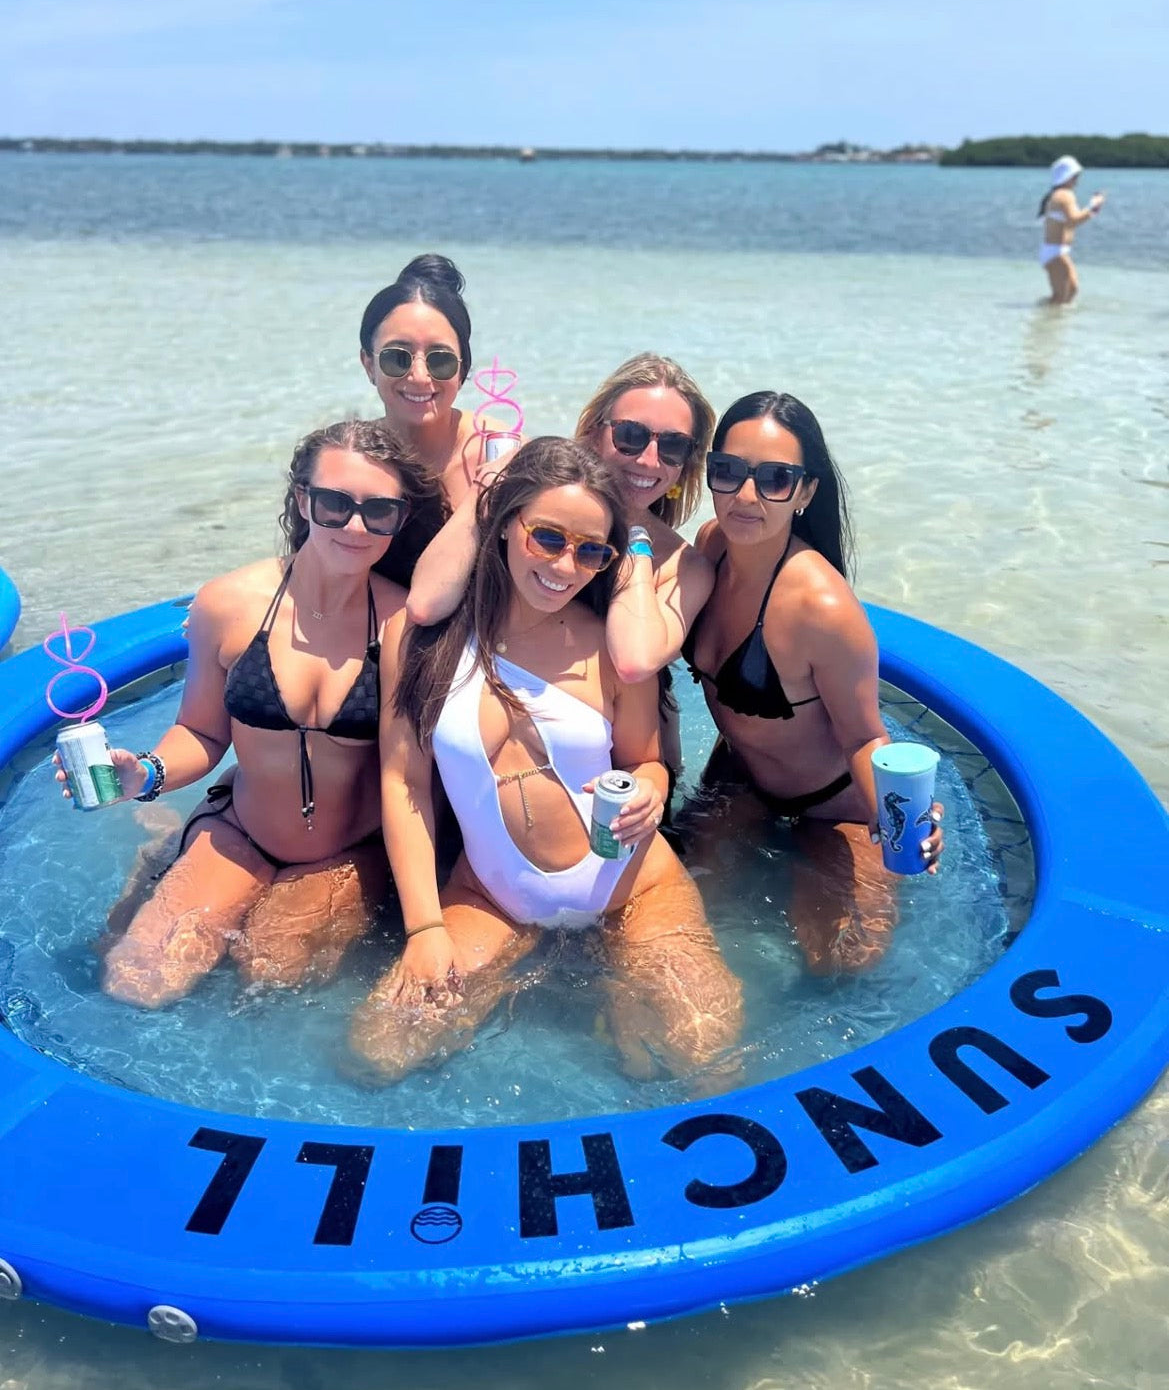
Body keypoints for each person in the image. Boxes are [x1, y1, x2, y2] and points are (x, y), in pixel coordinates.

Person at [349, 437, 741, 1082]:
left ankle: (617, 995)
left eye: (591, 551)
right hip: (493, 897)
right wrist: (424, 929)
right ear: (506, 524)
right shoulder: (419, 639)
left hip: (634, 888)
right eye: (548, 538)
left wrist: (650, 787)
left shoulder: (607, 644)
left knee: (704, 1060)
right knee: (379, 1051)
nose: (566, 566)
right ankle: (603, 1001)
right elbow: (404, 783)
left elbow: (646, 760)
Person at [57, 420, 444, 1009]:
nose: (355, 526)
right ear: (303, 500)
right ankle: (170, 838)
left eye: (379, 511)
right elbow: (201, 731)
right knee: (137, 981)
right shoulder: (228, 604)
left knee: (272, 973)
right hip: (244, 830)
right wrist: (145, 774)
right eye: (335, 504)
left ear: (400, 517)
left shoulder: (403, 624)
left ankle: (167, 850)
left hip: (348, 847)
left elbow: (409, 776)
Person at [679, 392, 944, 974]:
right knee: (677, 916)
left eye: (775, 479)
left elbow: (864, 736)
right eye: (728, 471)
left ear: (805, 492)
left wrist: (901, 819)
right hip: (739, 780)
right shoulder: (711, 546)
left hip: (833, 806)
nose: (746, 495)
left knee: (840, 963)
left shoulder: (822, 608)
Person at [407, 352, 718, 783]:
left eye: (673, 446)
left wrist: (634, 541)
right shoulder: (537, 514)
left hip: (631, 773)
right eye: (630, 436)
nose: (649, 460)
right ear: (592, 434)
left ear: (687, 463)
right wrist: (488, 491)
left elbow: (633, 660)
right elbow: (425, 603)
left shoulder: (683, 568)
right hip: (513, 749)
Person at [359, 253, 500, 509]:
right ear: (368, 364)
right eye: (398, 357)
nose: (420, 377)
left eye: (440, 360)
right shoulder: (351, 460)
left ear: (462, 368)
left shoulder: (503, 454)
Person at [1038, 154, 1105, 305]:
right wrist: (1094, 206)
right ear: (1067, 176)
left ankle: (1045, 312)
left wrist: (1093, 209)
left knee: (1070, 291)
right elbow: (1073, 220)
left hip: (1056, 250)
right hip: (1055, 252)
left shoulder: (1057, 194)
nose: (1077, 181)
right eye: (1075, 177)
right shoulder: (1064, 195)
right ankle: (1045, 314)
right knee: (1063, 295)